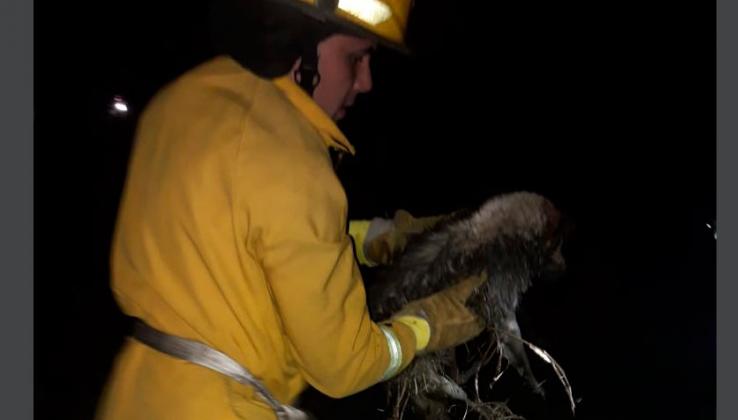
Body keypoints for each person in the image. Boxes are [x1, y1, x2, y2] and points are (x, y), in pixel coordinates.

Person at [96, 1, 487, 419]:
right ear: (298, 47)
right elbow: (344, 364)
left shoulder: (181, 100)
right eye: (355, 58)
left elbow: (237, 233)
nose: (366, 82)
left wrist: (379, 237)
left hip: (136, 392)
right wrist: (433, 323)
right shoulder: (290, 157)